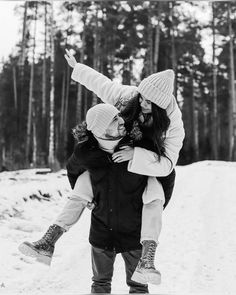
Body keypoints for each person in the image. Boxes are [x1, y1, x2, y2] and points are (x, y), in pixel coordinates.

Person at [19, 50, 185, 285]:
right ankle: (48, 241)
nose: (142, 103)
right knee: (85, 169)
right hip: (115, 150)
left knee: (154, 194)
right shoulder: (131, 96)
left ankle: (148, 256)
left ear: (161, 107)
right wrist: (78, 68)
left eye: (149, 102)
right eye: (142, 97)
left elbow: (167, 164)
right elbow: (102, 84)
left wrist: (135, 154)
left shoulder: (173, 125)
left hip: (150, 165)